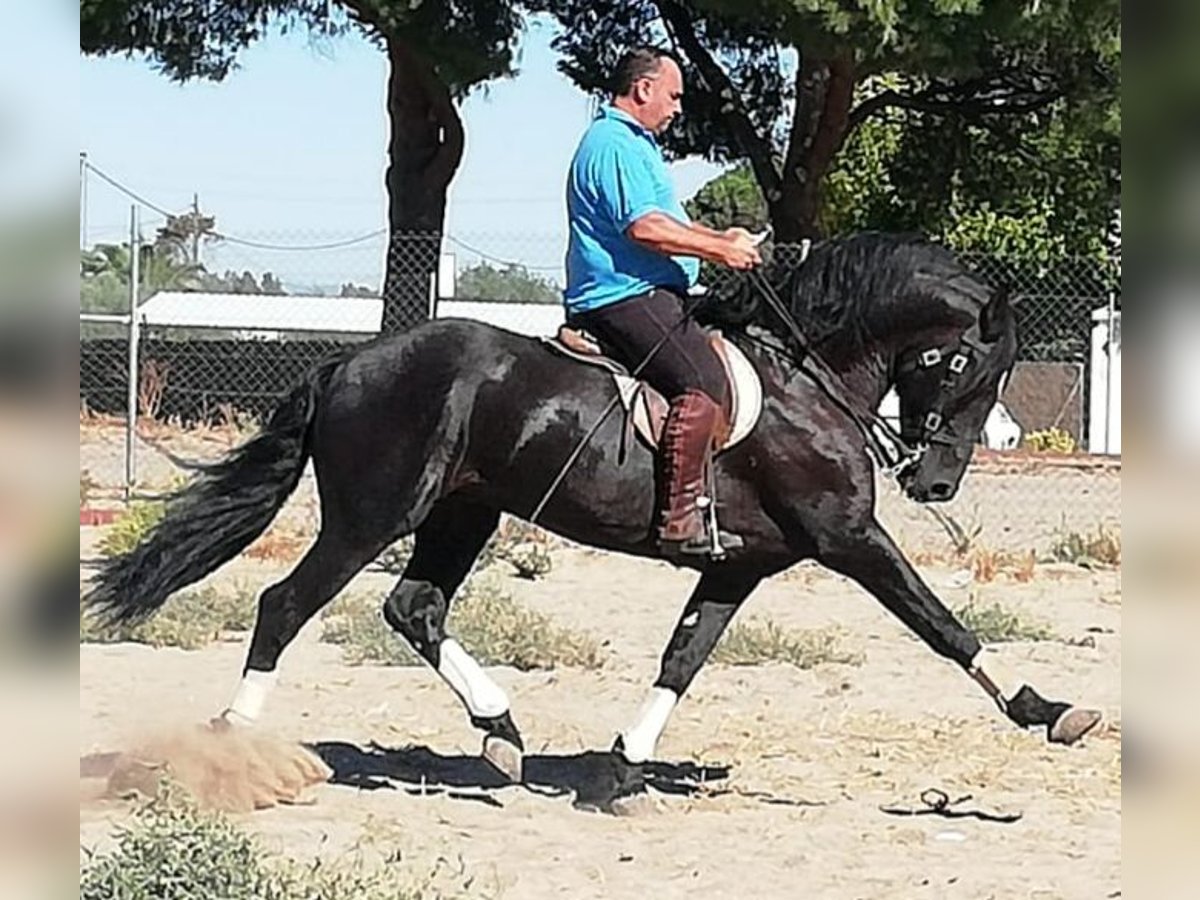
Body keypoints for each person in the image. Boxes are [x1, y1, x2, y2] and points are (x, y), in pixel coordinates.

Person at [563, 46, 762, 559]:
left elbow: (668, 221)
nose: (677, 108)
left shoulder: (637, 145)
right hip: (623, 295)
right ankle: (680, 521)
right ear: (644, 88)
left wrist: (722, 236)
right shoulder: (613, 144)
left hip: (651, 291)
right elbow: (645, 228)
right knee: (704, 379)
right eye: (673, 96)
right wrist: (719, 250)